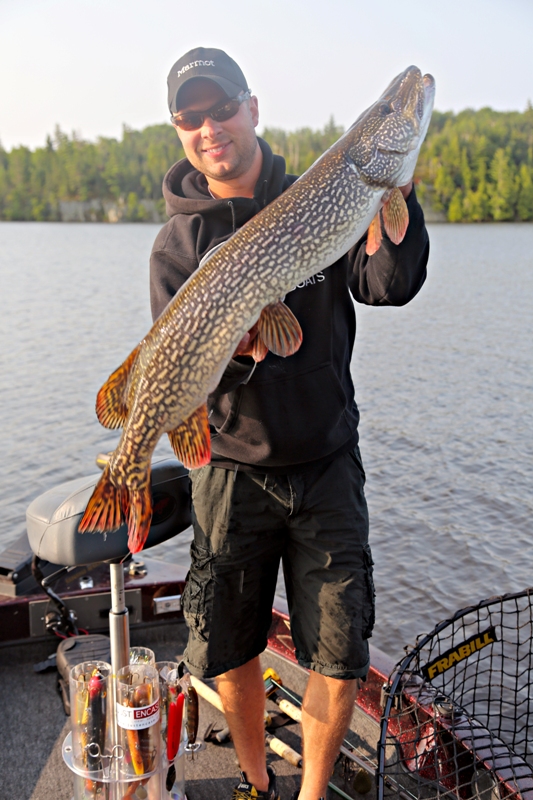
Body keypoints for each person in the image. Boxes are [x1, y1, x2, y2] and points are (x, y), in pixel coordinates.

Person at [150, 47, 429, 800]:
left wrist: (397, 198)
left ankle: (309, 795)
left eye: (221, 109)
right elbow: (184, 381)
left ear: (252, 109)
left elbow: (385, 285)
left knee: (338, 656)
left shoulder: (324, 191)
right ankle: (253, 780)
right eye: (190, 117)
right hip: (231, 471)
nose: (208, 127)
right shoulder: (177, 248)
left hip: (325, 462)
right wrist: (236, 351)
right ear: (180, 130)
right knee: (232, 649)